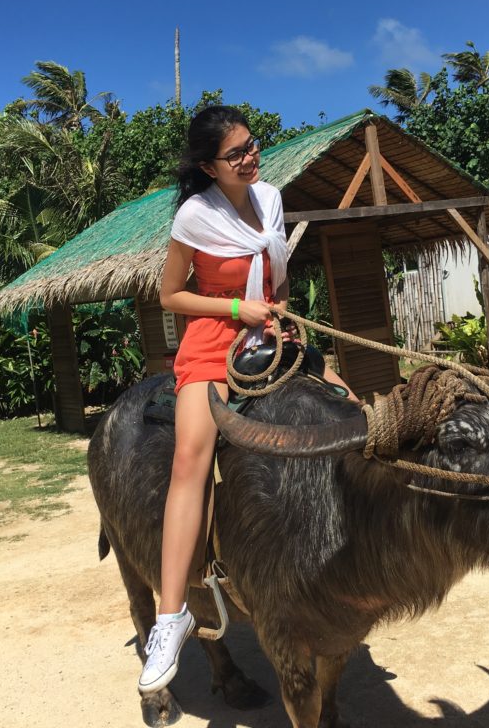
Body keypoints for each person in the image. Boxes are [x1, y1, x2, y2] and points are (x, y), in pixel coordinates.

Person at [139, 105, 352, 694]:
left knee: (349, 407)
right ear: (210, 165)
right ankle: (171, 616)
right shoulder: (194, 216)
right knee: (191, 460)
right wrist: (236, 309)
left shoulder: (272, 200)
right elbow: (170, 296)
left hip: (270, 335)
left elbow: (277, 279)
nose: (250, 157)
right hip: (213, 343)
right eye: (236, 154)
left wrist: (282, 319)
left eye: (252, 145)